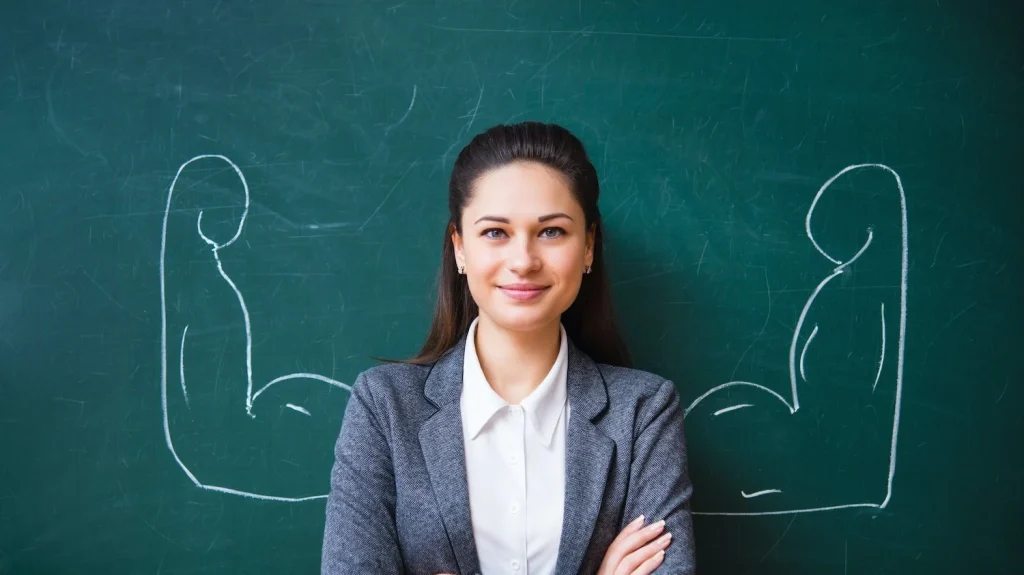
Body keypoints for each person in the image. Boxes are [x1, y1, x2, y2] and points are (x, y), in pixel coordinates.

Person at [321, 122, 696, 574]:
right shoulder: (384, 407)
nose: (523, 261)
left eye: (552, 232)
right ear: (460, 248)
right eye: (495, 233)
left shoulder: (643, 412)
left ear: (589, 246)